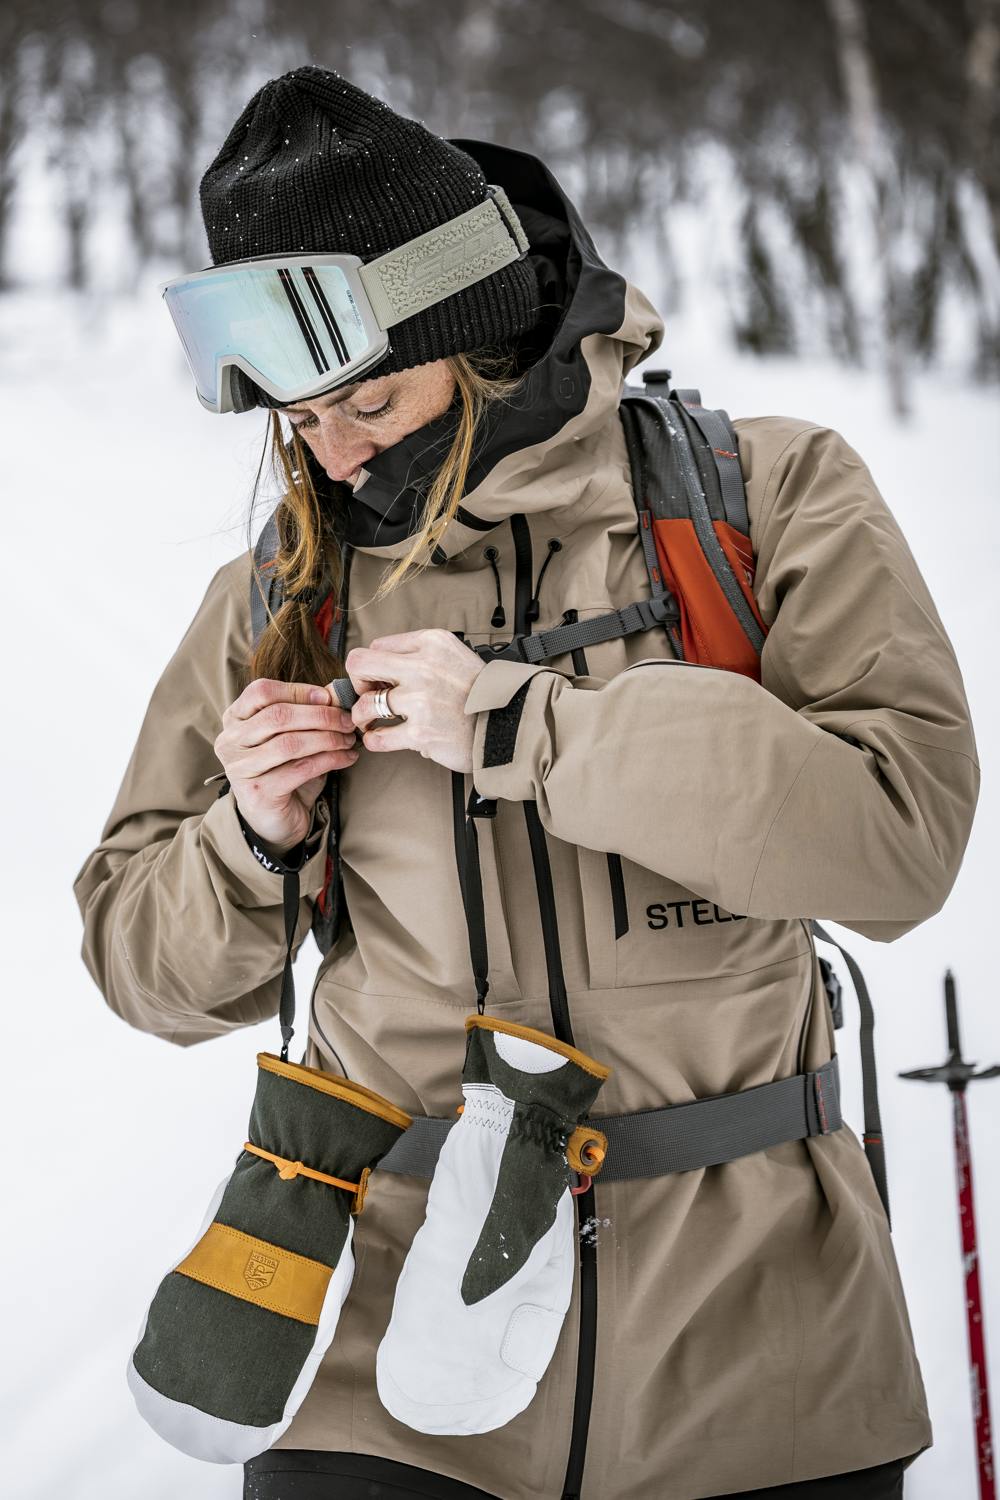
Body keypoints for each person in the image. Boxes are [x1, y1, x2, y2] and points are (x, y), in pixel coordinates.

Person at [73, 64, 980, 1500]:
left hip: (763, 1360)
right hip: (380, 1381)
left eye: (367, 396)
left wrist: (531, 728)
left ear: (485, 335)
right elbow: (137, 962)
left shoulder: (767, 497)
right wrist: (248, 837)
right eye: (297, 420)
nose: (334, 449)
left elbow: (899, 843)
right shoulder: (284, 592)